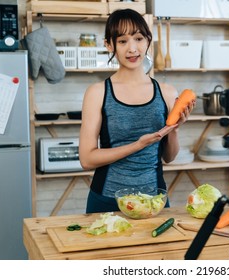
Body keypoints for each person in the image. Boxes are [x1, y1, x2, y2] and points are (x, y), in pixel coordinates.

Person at [79, 9, 195, 213]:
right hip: (107, 201)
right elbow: (87, 159)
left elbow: (169, 157)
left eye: (139, 38)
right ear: (109, 44)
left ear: (148, 41)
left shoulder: (167, 93)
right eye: (122, 41)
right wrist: (138, 145)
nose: (133, 48)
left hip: (154, 201)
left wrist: (175, 130)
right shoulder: (97, 93)